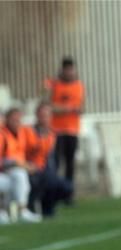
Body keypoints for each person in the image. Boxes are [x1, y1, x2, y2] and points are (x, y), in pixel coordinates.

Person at [43, 57, 84, 197]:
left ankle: (69, 192)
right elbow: (48, 106)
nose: (70, 72)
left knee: (70, 162)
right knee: (56, 162)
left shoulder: (79, 85)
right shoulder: (55, 85)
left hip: (73, 130)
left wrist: (79, 110)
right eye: (67, 69)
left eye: (72, 69)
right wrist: (67, 109)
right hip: (57, 130)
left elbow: (81, 106)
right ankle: (54, 192)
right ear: (63, 70)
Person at [26, 102, 73, 218]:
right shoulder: (28, 132)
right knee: (45, 181)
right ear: (37, 116)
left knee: (67, 187)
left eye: (47, 115)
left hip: (48, 172)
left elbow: (56, 157)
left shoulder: (54, 134)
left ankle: (48, 206)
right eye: (42, 115)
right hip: (32, 169)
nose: (45, 118)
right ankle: (33, 207)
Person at [1, 107, 43, 223]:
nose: (16, 122)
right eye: (13, 119)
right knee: (18, 176)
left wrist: (32, 164)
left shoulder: (23, 132)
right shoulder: (2, 134)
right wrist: (17, 164)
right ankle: (19, 210)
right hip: (5, 170)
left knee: (24, 177)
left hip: (15, 170)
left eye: (18, 120)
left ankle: (13, 211)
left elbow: (34, 148)